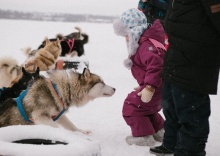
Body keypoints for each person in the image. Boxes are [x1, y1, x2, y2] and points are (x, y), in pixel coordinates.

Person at [149, 0, 220, 155]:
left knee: (191, 111)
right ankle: (172, 143)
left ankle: (189, 151)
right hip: (175, 56)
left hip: (196, 60)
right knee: (171, 106)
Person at [113, 8, 167, 146]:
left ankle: (143, 136)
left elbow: (156, 66)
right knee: (146, 108)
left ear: (134, 31)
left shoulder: (146, 46)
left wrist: (149, 87)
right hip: (160, 87)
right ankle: (159, 131)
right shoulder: (148, 42)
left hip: (156, 88)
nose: (126, 38)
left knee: (132, 105)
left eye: (126, 34)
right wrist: (145, 83)